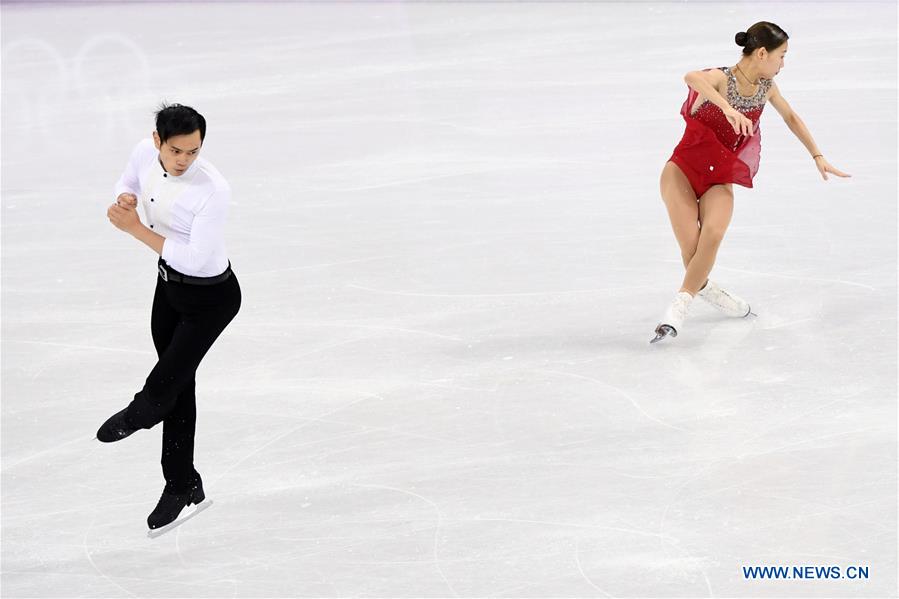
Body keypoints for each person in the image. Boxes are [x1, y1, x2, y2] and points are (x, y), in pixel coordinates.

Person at [652, 21, 850, 343]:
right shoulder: (720, 78)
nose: (783, 64)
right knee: (694, 259)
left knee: (713, 234)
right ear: (762, 53)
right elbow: (691, 77)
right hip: (681, 174)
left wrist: (817, 155)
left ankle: (677, 310)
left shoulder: (766, 88)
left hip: (719, 179)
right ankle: (707, 290)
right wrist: (728, 109)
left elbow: (791, 117)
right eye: (781, 56)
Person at [98, 103, 241, 529]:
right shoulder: (144, 152)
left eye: (193, 152)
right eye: (177, 150)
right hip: (168, 289)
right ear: (158, 141)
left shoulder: (213, 190)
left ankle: (140, 414)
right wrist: (125, 197)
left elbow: (197, 260)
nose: (184, 160)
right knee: (180, 384)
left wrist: (136, 229)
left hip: (211, 300)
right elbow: (128, 181)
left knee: (160, 394)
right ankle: (183, 483)